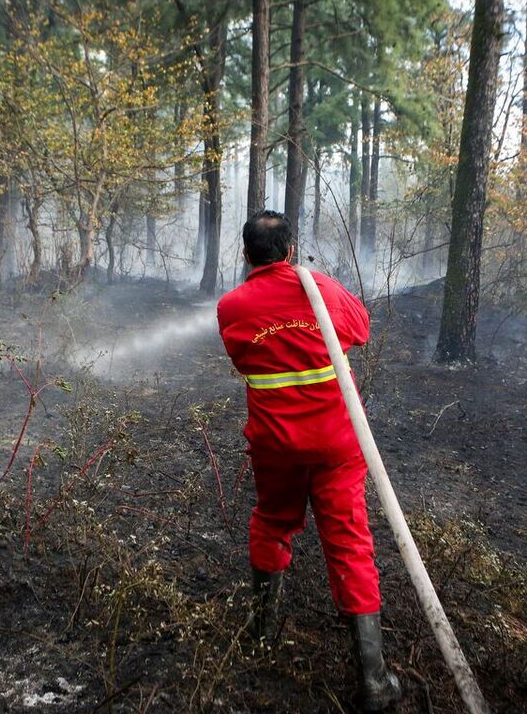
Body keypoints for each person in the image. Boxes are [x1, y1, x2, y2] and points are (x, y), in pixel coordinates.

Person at [216, 210, 402, 712]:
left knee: (272, 524)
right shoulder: (319, 288)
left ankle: (260, 638)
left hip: (276, 446)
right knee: (350, 544)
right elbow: (360, 329)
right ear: (291, 251)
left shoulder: (232, 307)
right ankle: (374, 679)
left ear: (245, 254)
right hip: (338, 445)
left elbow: (243, 358)